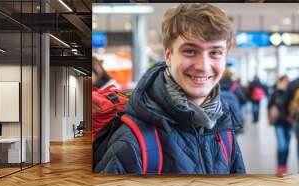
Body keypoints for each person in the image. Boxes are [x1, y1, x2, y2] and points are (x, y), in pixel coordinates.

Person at [94, 3, 246, 174]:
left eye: (215, 52)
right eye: (190, 51)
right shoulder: (133, 143)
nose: (203, 66)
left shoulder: (223, 130)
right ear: (168, 56)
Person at [268, 75, 291, 177]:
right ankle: (280, 165)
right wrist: (271, 117)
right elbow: (269, 106)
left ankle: (284, 164)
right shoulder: (275, 93)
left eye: (287, 81)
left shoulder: (290, 92)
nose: (286, 83)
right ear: (280, 81)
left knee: (287, 146)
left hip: (289, 123)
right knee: (282, 145)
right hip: (279, 122)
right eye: (285, 81)